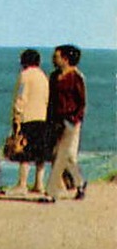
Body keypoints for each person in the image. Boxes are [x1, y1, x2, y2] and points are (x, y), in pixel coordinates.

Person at [7, 49, 53, 196]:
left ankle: (22, 184)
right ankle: (39, 183)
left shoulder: (25, 76)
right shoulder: (43, 76)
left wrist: (16, 117)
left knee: (24, 152)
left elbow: (21, 97)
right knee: (40, 153)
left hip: (28, 117)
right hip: (42, 117)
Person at [45, 44, 87, 203]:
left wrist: (75, 119)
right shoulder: (54, 76)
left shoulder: (76, 78)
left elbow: (81, 101)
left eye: (56, 57)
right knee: (58, 154)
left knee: (61, 155)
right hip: (55, 119)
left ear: (65, 59)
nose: (53, 59)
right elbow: (51, 100)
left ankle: (51, 192)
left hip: (69, 121)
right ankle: (80, 182)